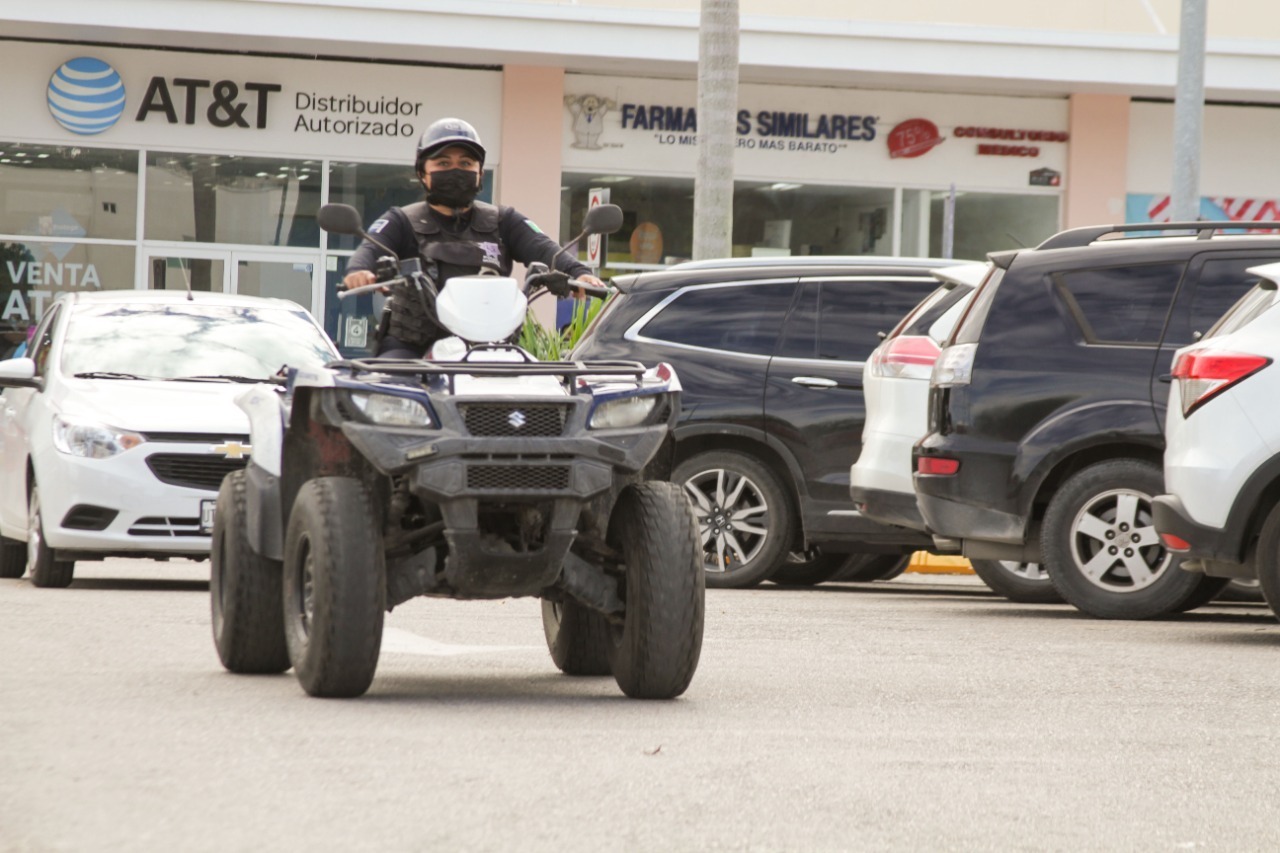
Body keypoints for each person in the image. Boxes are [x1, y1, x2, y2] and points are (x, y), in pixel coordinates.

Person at [342, 117, 604, 358]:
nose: (455, 170)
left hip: (493, 344)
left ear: (480, 173)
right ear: (422, 173)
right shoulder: (401, 220)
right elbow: (369, 251)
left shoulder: (504, 221)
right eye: (443, 163)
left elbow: (545, 249)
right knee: (385, 389)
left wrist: (578, 273)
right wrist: (360, 271)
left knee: (537, 389)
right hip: (413, 346)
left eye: (466, 164)